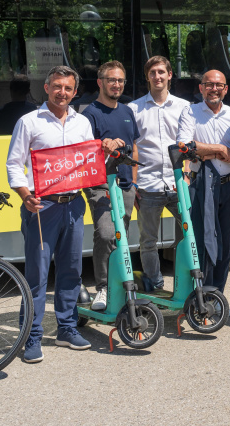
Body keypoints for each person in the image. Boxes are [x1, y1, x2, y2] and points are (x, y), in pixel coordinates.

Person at [6, 65, 94, 363]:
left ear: (75, 92)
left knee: (71, 270)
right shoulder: (29, 122)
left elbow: (87, 161)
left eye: (68, 88)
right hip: (42, 206)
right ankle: (30, 336)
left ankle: (66, 328)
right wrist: (25, 195)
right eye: (57, 86)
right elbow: (14, 164)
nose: (62, 92)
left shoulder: (82, 122)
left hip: (74, 204)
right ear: (46, 88)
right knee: (37, 275)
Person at [81, 61, 140, 311]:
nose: (116, 84)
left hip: (125, 186)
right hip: (101, 185)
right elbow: (83, 153)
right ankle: (103, 287)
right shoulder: (89, 114)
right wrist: (101, 146)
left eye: (120, 80)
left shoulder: (127, 111)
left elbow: (134, 147)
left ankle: (120, 286)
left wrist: (134, 183)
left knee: (121, 237)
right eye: (111, 80)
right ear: (100, 82)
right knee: (106, 234)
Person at [128, 55, 188, 291]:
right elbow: (132, 147)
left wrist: (187, 175)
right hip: (148, 185)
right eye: (152, 73)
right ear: (147, 77)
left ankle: (185, 284)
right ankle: (155, 287)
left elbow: (188, 144)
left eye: (161, 72)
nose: (157, 76)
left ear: (169, 75)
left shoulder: (184, 107)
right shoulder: (134, 109)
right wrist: (133, 184)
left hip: (178, 184)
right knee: (148, 242)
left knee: (188, 237)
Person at [176, 69, 230, 292]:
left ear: (226, 89)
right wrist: (220, 149)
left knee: (224, 243)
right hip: (200, 185)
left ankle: (217, 295)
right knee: (202, 242)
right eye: (209, 85)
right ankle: (200, 295)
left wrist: (204, 152)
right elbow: (184, 146)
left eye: (218, 85)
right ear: (201, 88)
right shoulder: (190, 112)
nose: (214, 89)